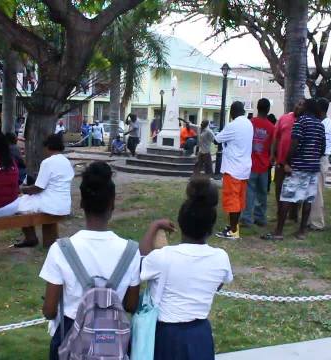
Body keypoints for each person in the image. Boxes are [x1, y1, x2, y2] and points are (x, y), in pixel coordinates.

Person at [39, 162, 141, 360]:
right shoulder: (131, 251)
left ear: (82, 203)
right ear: (112, 203)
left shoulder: (61, 249)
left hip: (71, 335)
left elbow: (50, 310)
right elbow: (130, 305)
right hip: (113, 341)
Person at [139, 176, 233, 359]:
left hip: (168, 335)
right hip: (200, 334)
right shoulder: (221, 258)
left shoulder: (163, 257)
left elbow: (142, 258)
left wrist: (155, 226)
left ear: (180, 223)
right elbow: (218, 285)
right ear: (211, 228)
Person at [262, 98, 325, 241]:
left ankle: (278, 232)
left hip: (298, 166)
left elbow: (294, 144)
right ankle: (301, 232)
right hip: (313, 167)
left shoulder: (300, 122)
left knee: (287, 196)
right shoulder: (320, 125)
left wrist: (286, 161)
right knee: (308, 199)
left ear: (306, 108)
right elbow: (322, 148)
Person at [14, 134, 75, 247]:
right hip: (64, 203)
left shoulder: (47, 162)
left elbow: (38, 188)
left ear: (48, 147)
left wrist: (22, 190)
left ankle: (30, 237)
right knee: (27, 202)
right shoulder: (67, 161)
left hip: (50, 204)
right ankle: (34, 239)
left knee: (19, 205)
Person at [214, 101, 254, 240]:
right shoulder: (249, 124)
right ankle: (233, 227)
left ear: (232, 112)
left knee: (232, 200)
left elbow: (217, 140)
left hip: (233, 168)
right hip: (244, 168)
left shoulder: (233, 125)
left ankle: (233, 232)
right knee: (239, 199)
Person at [240, 98, 275, 228]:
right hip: (264, 166)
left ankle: (246, 218)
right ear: (268, 110)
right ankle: (260, 218)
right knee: (262, 193)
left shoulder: (250, 123)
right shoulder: (272, 127)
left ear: (257, 108)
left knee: (249, 192)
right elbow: (272, 147)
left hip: (250, 164)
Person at [272, 100, 305, 223]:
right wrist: (273, 155)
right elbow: (276, 137)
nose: (298, 106)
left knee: (296, 191)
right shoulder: (284, 118)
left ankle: (293, 215)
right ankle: (280, 214)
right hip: (281, 161)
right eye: (298, 103)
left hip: (297, 163)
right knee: (279, 188)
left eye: (302, 105)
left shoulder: (305, 122)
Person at [308, 98, 331, 231]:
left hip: (321, 159)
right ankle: (310, 219)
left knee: (317, 192)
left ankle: (317, 222)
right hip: (319, 159)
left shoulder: (324, 124)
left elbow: (321, 147)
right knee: (313, 191)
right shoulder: (324, 122)